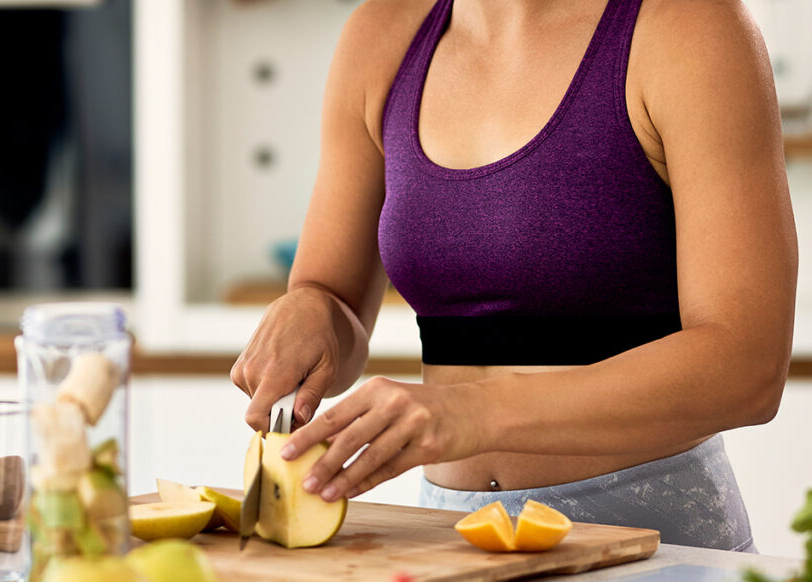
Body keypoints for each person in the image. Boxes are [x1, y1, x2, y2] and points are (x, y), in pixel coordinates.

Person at [230, 0, 797, 551]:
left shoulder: (690, 26)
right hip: (450, 543)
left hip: (655, 549)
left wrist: (477, 411)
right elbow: (340, 314)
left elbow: (749, 367)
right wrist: (311, 307)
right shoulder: (381, 36)